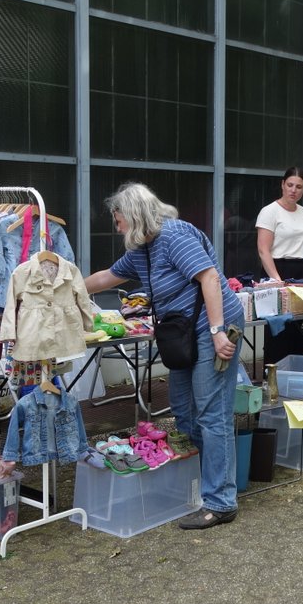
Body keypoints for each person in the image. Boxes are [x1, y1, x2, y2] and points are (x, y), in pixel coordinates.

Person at [84, 183, 245, 529]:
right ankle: (204, 482)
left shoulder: (174, 236)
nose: (117, 228)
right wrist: (64, 288)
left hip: (211, 326)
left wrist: (218, 332)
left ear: (133, 215)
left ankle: (221, 501)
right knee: (184, 410)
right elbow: (106, 277)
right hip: (183, 332)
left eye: (118, 220)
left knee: (211, 413)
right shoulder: (141, 250)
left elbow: (209, 278)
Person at [256, 166, 303, 363]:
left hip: (302, 273)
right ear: (282, 184)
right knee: (279, 331)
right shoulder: (269, 212)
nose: (293, 190)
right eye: (290, 185)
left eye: (299, 187)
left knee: (300, 331)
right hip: (279, 270)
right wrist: (277, 281)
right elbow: (263, 250)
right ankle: (274, 376)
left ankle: (298, 375)